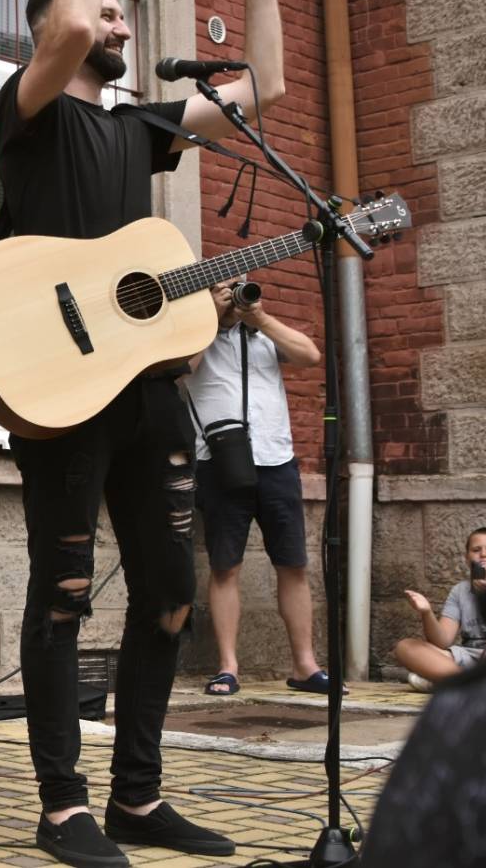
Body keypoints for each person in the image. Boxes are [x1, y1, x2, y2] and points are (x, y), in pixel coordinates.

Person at [0, 0, 287, 868]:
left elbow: (265, 94)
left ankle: (137, 798)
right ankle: (61, 805)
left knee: (168, 589)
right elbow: (68, 21)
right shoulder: (25, 110)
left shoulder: (135, 127)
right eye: (111, 7)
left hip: (148, 389)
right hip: (55, 386)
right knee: (63, 592)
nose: (119, 18)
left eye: (123, 6)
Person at [186, 283, 324, 698]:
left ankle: (305, 665)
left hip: (276, 460)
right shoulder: (195, 339)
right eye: (222, 289)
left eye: (237, 288)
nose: (232, 297)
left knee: (293, 564)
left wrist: (259, 317)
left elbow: (311, 355)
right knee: (225, 566)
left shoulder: (263, 334)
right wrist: (208, 319)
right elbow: (178, 372)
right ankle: (228, 666)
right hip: (220, 462)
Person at [394, 527, 486, 688]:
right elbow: (442, 641)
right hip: (467, 658)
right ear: (467, 558)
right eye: (476, 550)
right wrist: (426, 612)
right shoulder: (460, 591)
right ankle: (467, 684)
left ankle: (450, 684)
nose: (483, 554)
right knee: (406, 647)